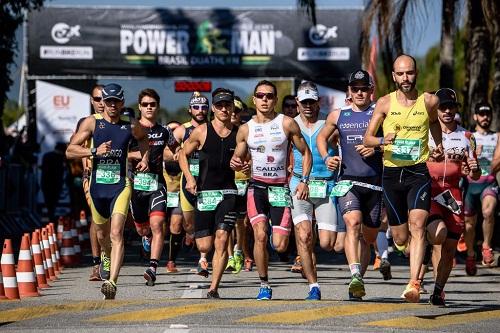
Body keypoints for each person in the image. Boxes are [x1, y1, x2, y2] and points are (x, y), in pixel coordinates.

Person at [363, 54, 443, 303]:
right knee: (400, 237)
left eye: (409, 73)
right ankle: (409, 251)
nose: (405, 78)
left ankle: (414, 283)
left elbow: (434, 123)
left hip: (418, 171)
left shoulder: (429, 100)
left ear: (416, 73)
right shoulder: (385, 103)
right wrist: (380, 141)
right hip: (392, 174)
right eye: (400, 74)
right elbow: (367, 139)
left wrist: (438, 144)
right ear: (394, 77)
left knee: (418, 225)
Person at [66, 83, 149, 299]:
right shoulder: (92, 123)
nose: (111, 105)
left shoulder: (130, 125)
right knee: (102, 234)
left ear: (122, 102)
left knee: (116, 233)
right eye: (107, 101)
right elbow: (69, 151)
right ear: (102, 102)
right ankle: (105, 255)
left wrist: (145, 158)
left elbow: (143, 138)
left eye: (116, 101)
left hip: (121, 185)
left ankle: (112, 281)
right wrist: (93, 151)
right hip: (97, 187)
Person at [231, 80, 312, 300]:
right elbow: (238, 158)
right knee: (259, 234)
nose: (265, 99)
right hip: (256, 188)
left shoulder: (286, 124)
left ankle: (273, 241)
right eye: (260, 95)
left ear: (275, 99)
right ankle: (264, 284)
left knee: (279, 244)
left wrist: (304, 180)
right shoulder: (246, 129)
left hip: (279, 188)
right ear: (254, 99)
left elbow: (306, 153)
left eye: (269, 96)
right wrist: (238, 163)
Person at [317, 70, 387, 301]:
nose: (359, 92)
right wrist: (327, 157)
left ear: (371, 90)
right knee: (352, 222)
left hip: (375, 185)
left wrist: (377, 147)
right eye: (354, 88)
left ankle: (359, 280)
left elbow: (394, 141)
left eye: (363, 88)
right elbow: (321, 137)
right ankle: (354, 274)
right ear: (349, 90)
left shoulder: (381, 113)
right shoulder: (339, 115)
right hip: (348, 181)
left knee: (367, 237)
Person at [178, 88, 239, 298]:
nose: (224, 109)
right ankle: (206, 256)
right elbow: (182, 155)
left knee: (222, 238)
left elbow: (248, 159)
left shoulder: (240, 132)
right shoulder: (202, 131)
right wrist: (189, 178)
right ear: (213, 108)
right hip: (205, 192)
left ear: (232, 108)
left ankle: (214, 288)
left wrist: (246, 167)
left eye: (227, 105)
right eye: (220, 105)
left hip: (228, 192)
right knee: (205, 243)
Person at [425, 88, 480, 306]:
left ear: (456, 109)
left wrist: (474, 169)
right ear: (436, 109)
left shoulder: (468, 136)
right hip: (430, 192)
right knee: (437, 234)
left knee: (449, 250)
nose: (447, 111)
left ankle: (438, 291)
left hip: (453, 195)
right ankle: (422, 242)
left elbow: (475, 174)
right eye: (442, 107)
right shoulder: (426, 132)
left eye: (451, 107)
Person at [289, 81, 338, 300]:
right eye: (304, 102)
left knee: (327, 243)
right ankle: (313, 286)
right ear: (297, 102)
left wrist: (337, 161)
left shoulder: (329, 122)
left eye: (312, 101)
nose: (308, 106)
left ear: (318, 102)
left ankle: (307, 253)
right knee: (304, 234)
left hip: (325, 185)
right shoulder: (289, 124)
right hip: (299, 184)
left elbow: (344, 147)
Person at [128, 88, 176, 286]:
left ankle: (153, 267)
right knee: (141, 229)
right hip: (136, 187)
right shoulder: (130, 131)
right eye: (145, 104)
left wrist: (181, 155)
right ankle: (145, 235)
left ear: (157, 107)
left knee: (157, 224)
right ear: (139, 107)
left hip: (157, 184)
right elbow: (119, 154)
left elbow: (176, 150)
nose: (149, 107)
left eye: (152, 104)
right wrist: (137, 156)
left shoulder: (164, 131)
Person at [173, 92, 210, 277]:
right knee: (188, 224)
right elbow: (167, 150)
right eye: (196, 107)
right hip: (187, 181)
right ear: (190, 109)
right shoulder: (182, 130)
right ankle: (190, 235)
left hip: (207, 182)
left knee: (203, 219)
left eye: (204, 107)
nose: (200, 110)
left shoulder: (212, 128)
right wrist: (176, 153)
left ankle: (203, 259)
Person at [463, 101, 499, 273]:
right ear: (475, 116)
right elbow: (463, 160)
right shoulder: (469, 136)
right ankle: (470, 254)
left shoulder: (497, 136)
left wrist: (480, 162)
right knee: (469, 224)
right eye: (482, 114)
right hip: (470, 184)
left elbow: (497, 161)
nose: (485, 117)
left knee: (488, 212)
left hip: (488, 182)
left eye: (488, 114)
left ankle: (486, 247)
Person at [74, 84, 105, 281]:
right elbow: (73, 146)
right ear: (91, 101)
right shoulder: (86, 122)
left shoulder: (119, 121)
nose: (101, 103)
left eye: (105, 99)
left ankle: (107, 258)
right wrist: (90, 154)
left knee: (113, 221)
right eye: (97, 99)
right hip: (92, 176)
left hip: (116, 177)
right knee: (96, 218)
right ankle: (97, 263)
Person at [226, 96, 252, 274]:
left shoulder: (245, 131)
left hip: (243, 180)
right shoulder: (219, 131)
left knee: (241, 222)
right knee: (225, 222)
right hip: (225, 181)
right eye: (231, 110)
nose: (233, 114)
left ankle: (238, 249)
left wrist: (251, 164)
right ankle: (228, 257)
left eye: (237, 110)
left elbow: (255, 154)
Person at [41, 142, 66, 222]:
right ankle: (51, 217)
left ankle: (50, 216)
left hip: (46, 183)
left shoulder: (46, 156)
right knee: (53, 202)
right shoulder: (60, 157)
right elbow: (60, 171)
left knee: (49, 202)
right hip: (55, 183)